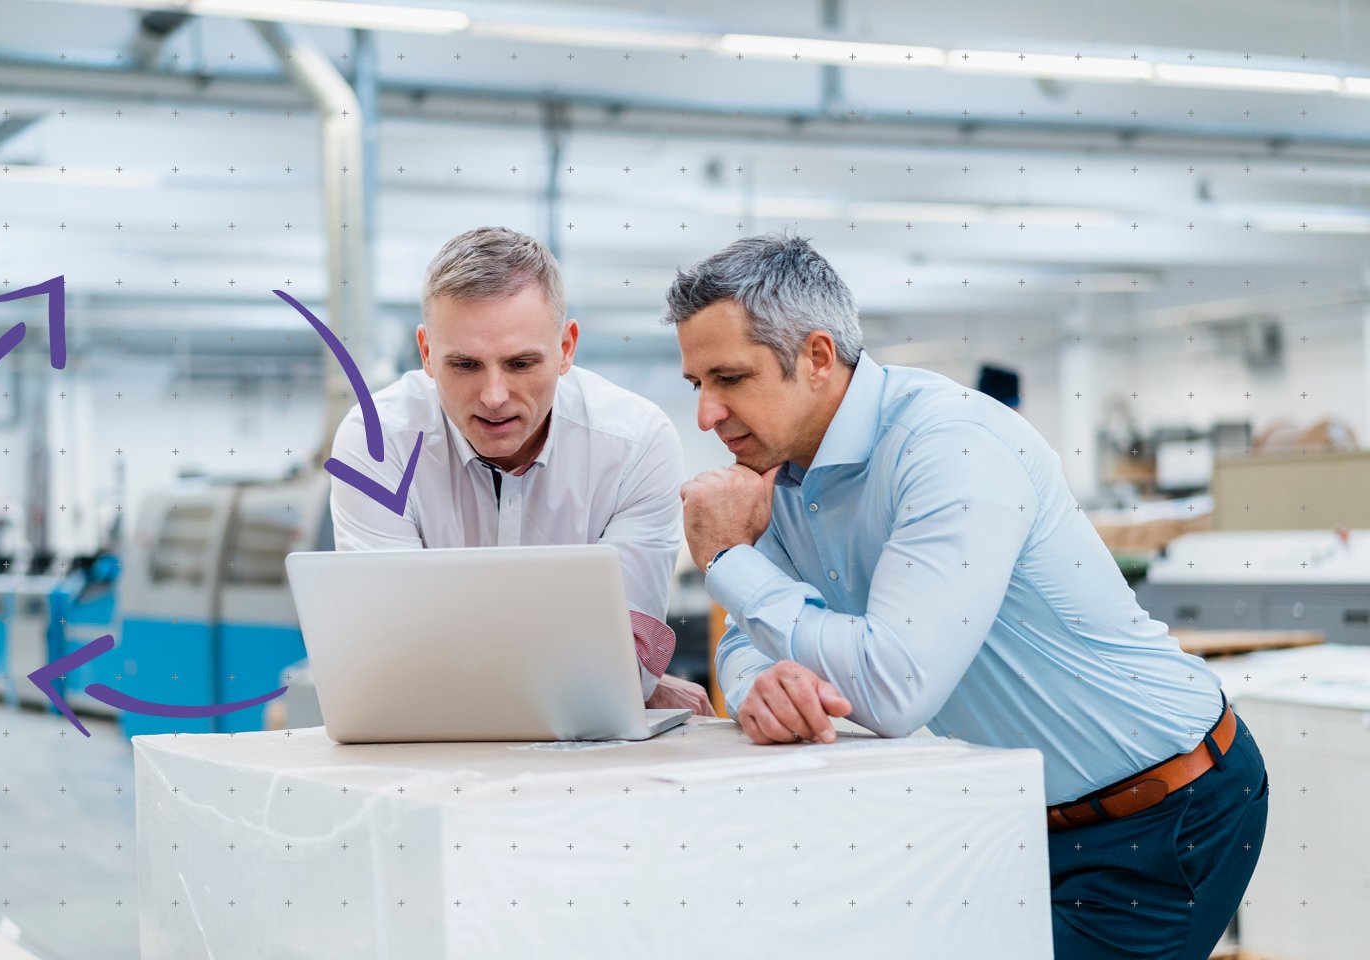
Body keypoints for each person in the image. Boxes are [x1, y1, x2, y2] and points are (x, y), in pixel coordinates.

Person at [666, 233, 1266, 959]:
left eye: (729, 379)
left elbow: (893, 686)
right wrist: (764, 683)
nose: (707, 414)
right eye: (696, 384)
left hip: (1165, 807)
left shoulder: (949, 447)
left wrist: (728, 558)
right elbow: (747, 636)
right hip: (1008, 811)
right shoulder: (779, 471)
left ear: (818, 358)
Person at [330, 226, 711, 715]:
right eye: (465, 365)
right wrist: (588, 663)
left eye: (521, 363)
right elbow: (387, 658)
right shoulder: (376, 441)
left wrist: (623, 676)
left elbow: (625, 665)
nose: (493, 396)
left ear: (567, 348)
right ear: (426, 353)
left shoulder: (636, 445)